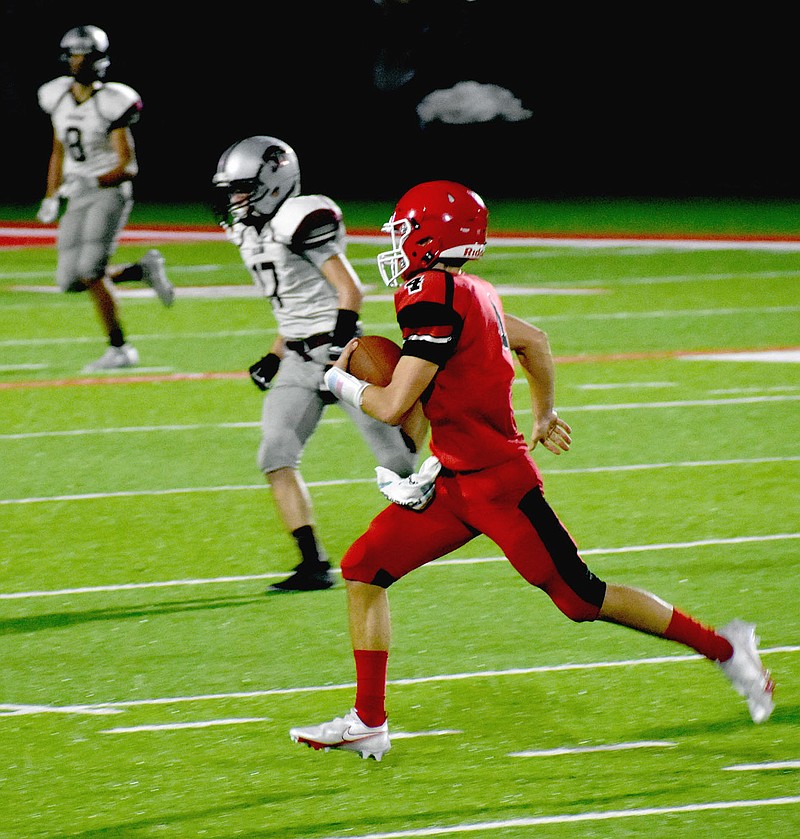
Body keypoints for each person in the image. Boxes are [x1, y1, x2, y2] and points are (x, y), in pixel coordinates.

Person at [289, 180, 775, 761]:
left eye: (404, 229)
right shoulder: (470, 289)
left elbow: (393, 406)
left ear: (427, 236)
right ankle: (369, 720)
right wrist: (543, 413)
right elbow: (534, 342)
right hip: (456, 481)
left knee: (582, 598)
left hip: (499, 486)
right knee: (364, 566)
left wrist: (339, 380)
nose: (396, 240)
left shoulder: (431, 293)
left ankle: (725, 647)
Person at [211, 135, 425, 593]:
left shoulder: (299, 218)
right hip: (297, 355)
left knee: (397, 463)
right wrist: (274, 353)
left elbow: (350, 290)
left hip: (342, 352)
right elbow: (293, 306)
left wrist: (341, 346)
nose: (234, 198)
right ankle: (313, 563)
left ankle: (424, 432)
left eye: (242, 187)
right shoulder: (253, 231)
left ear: (273, 182)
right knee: (275, 453)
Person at [36, 25, 174, 372]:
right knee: (70, 280)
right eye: (75, 54)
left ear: (99, 60)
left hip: (108, 193)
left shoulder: (112, 101)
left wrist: (91, 179)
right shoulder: (57, 96)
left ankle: (120, 349)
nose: (79, 61)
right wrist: (51, 195)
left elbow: (128, 167)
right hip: (77, 193)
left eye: (86, 54)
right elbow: (57, 150)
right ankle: (140, 270)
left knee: (90, 270)